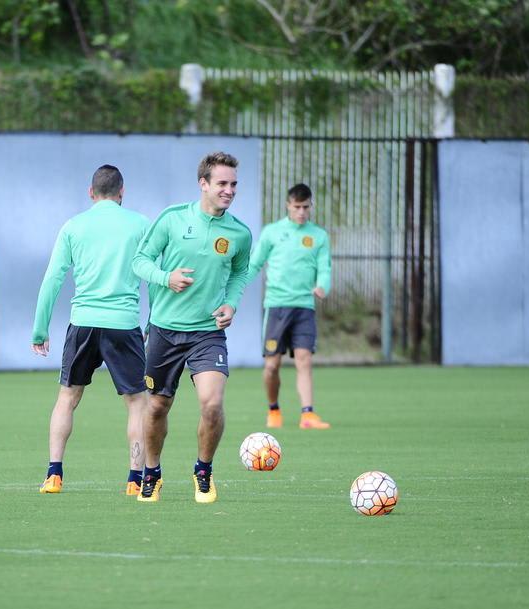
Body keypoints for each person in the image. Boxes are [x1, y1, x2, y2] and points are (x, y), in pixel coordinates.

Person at [131, 151, 252, 503]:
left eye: (233, 184)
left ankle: (204, 470)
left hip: (207, 333)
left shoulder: (239, 233)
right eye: (222, 184)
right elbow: (140, 261)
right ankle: (151, 472)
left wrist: (231, 303)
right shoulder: (172, 220)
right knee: (157, 407)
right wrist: (165, 277)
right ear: (203, 184)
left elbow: (241, 272)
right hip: (164, 331)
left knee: (211, 405)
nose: (229, 190)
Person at [31, 165, 151, 496]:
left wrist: (40, 329)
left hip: (83, 322)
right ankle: (135, 479)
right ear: (122, 192)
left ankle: (54, 474)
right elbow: (155, 274)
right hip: (123, 324)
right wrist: (153, 320)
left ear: (91, 193)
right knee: (137, 403)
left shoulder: (74, 226)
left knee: (68, 397)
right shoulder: (140, 225)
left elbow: (53, 277)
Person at [245, 183, 332, 430]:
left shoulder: (319, 236)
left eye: (306, 207)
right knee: (272, 365)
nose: (302, 212)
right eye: (297, 207)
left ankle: (308, 414)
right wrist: (237, 287)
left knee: (304, 359)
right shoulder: (272, 232)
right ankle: (274, 409)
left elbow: (325, 268)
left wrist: (322, 285)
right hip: (277, 307)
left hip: (304, 306)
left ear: (311, 206)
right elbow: (254, 263)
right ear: (288, 205)